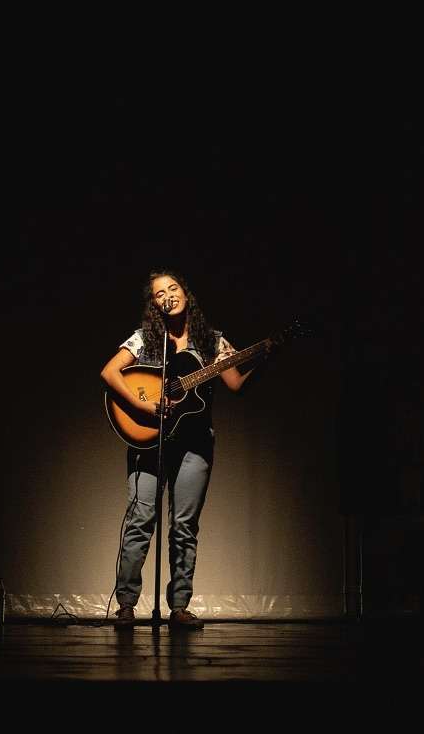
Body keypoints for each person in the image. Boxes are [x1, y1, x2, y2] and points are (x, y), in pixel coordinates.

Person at [101, 270, 265, 630]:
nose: (168, 296)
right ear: (154, 303)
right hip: (150, 439)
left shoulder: (213, 342)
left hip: (196, 442)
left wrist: (261, 356)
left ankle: (178, 607)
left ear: (186, 294)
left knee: (184, 525)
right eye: (160, 293)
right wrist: (144, 407)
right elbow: (110, 372)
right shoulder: (145, 339)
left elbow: (235, 384)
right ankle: (126, 605)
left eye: (173, 288)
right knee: (140, 520)